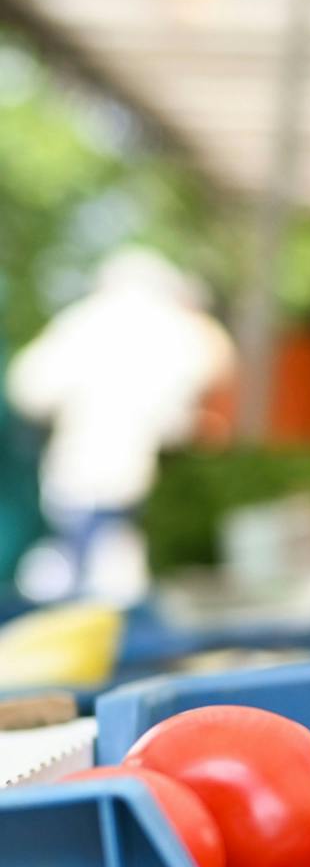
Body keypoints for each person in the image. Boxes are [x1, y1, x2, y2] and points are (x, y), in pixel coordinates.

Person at [5, 248, 234, 602]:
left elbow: (28, 389)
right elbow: (218, 361)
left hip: (80, 471)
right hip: (120, 472)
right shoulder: (170, 327)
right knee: (107, 574)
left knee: (90, 567)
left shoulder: (81, 322)